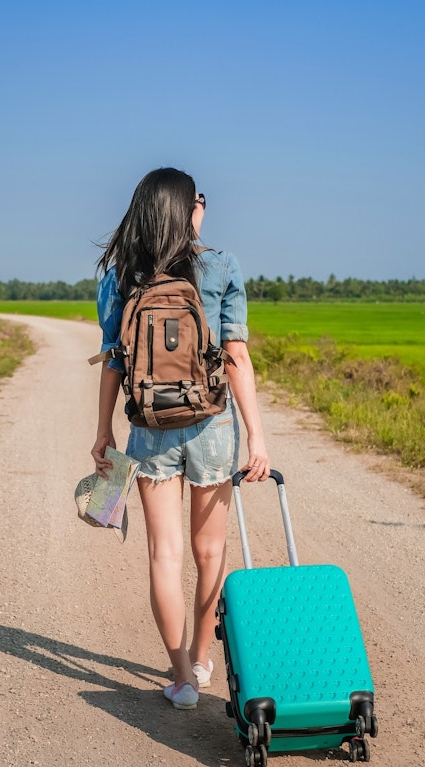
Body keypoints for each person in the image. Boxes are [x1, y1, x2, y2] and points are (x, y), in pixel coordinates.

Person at [91, 167, 270, 710]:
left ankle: (181, 681)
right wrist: (258, 438)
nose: (204, 206)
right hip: (214, 424)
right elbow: (236, 357)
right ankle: (202, 656)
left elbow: (113, 363)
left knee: (163, 555)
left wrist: (103, 432)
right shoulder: (220, 265)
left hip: (149, 429)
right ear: (185, 208)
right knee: (209, 549)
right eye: (198, 199)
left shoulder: (121, 276)